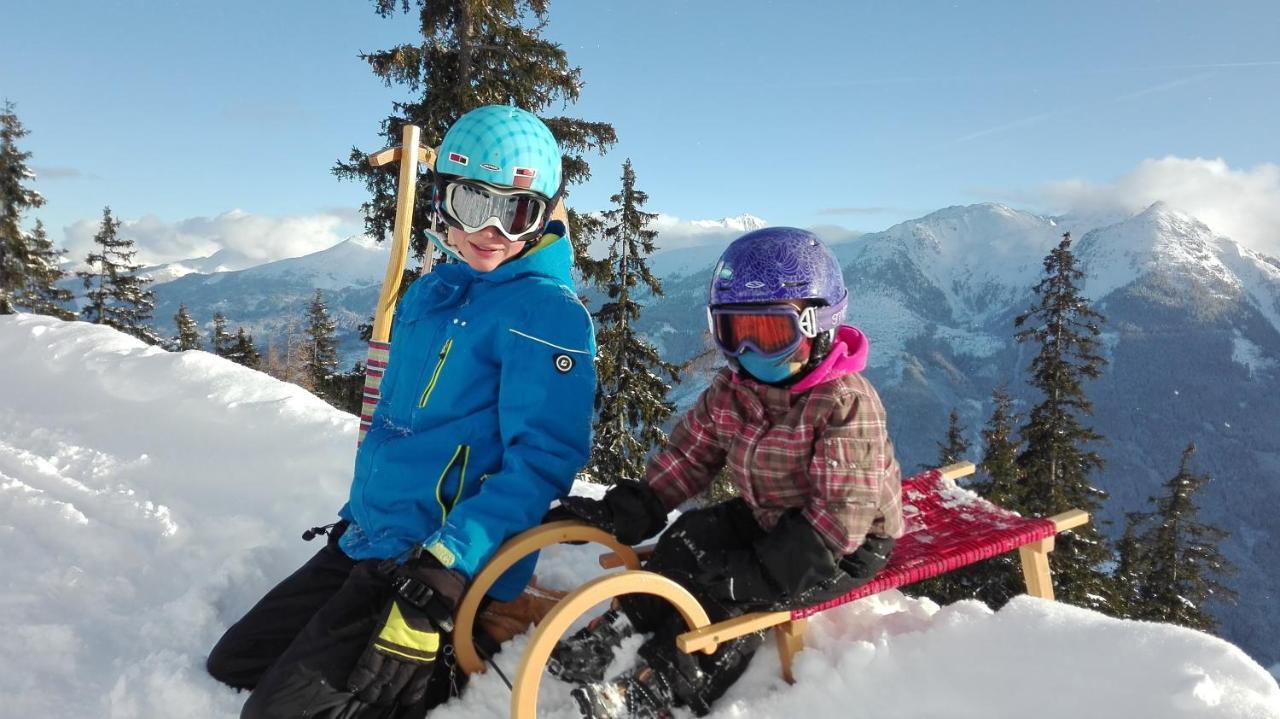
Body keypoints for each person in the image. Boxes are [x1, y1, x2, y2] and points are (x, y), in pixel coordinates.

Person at [206, 105, 597, 718]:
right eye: (474, 203)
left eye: (516, 212)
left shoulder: (546, 314)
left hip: (433, 556)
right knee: (236, 663)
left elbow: (544, 460)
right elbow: (397, 424)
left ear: (543, 215)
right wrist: (361, 516)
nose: (491, 230)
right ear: (442, 200)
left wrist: (451, 564)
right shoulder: (432, 292)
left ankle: (443, 672)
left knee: (278, 713)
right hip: (371, 537)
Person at [548, 227, 903, 718]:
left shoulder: (843, 404)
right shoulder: (734, 392)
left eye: (772, 333)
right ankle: (627, 619)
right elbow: (688, 459)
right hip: (770, 515)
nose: (752, 352)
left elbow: (838, 522)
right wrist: (629, 511)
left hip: (839, 547)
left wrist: (754, 575)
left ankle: (663, 684)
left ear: (816, 324)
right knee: (691, 536)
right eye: (736, 332)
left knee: (739, 601)